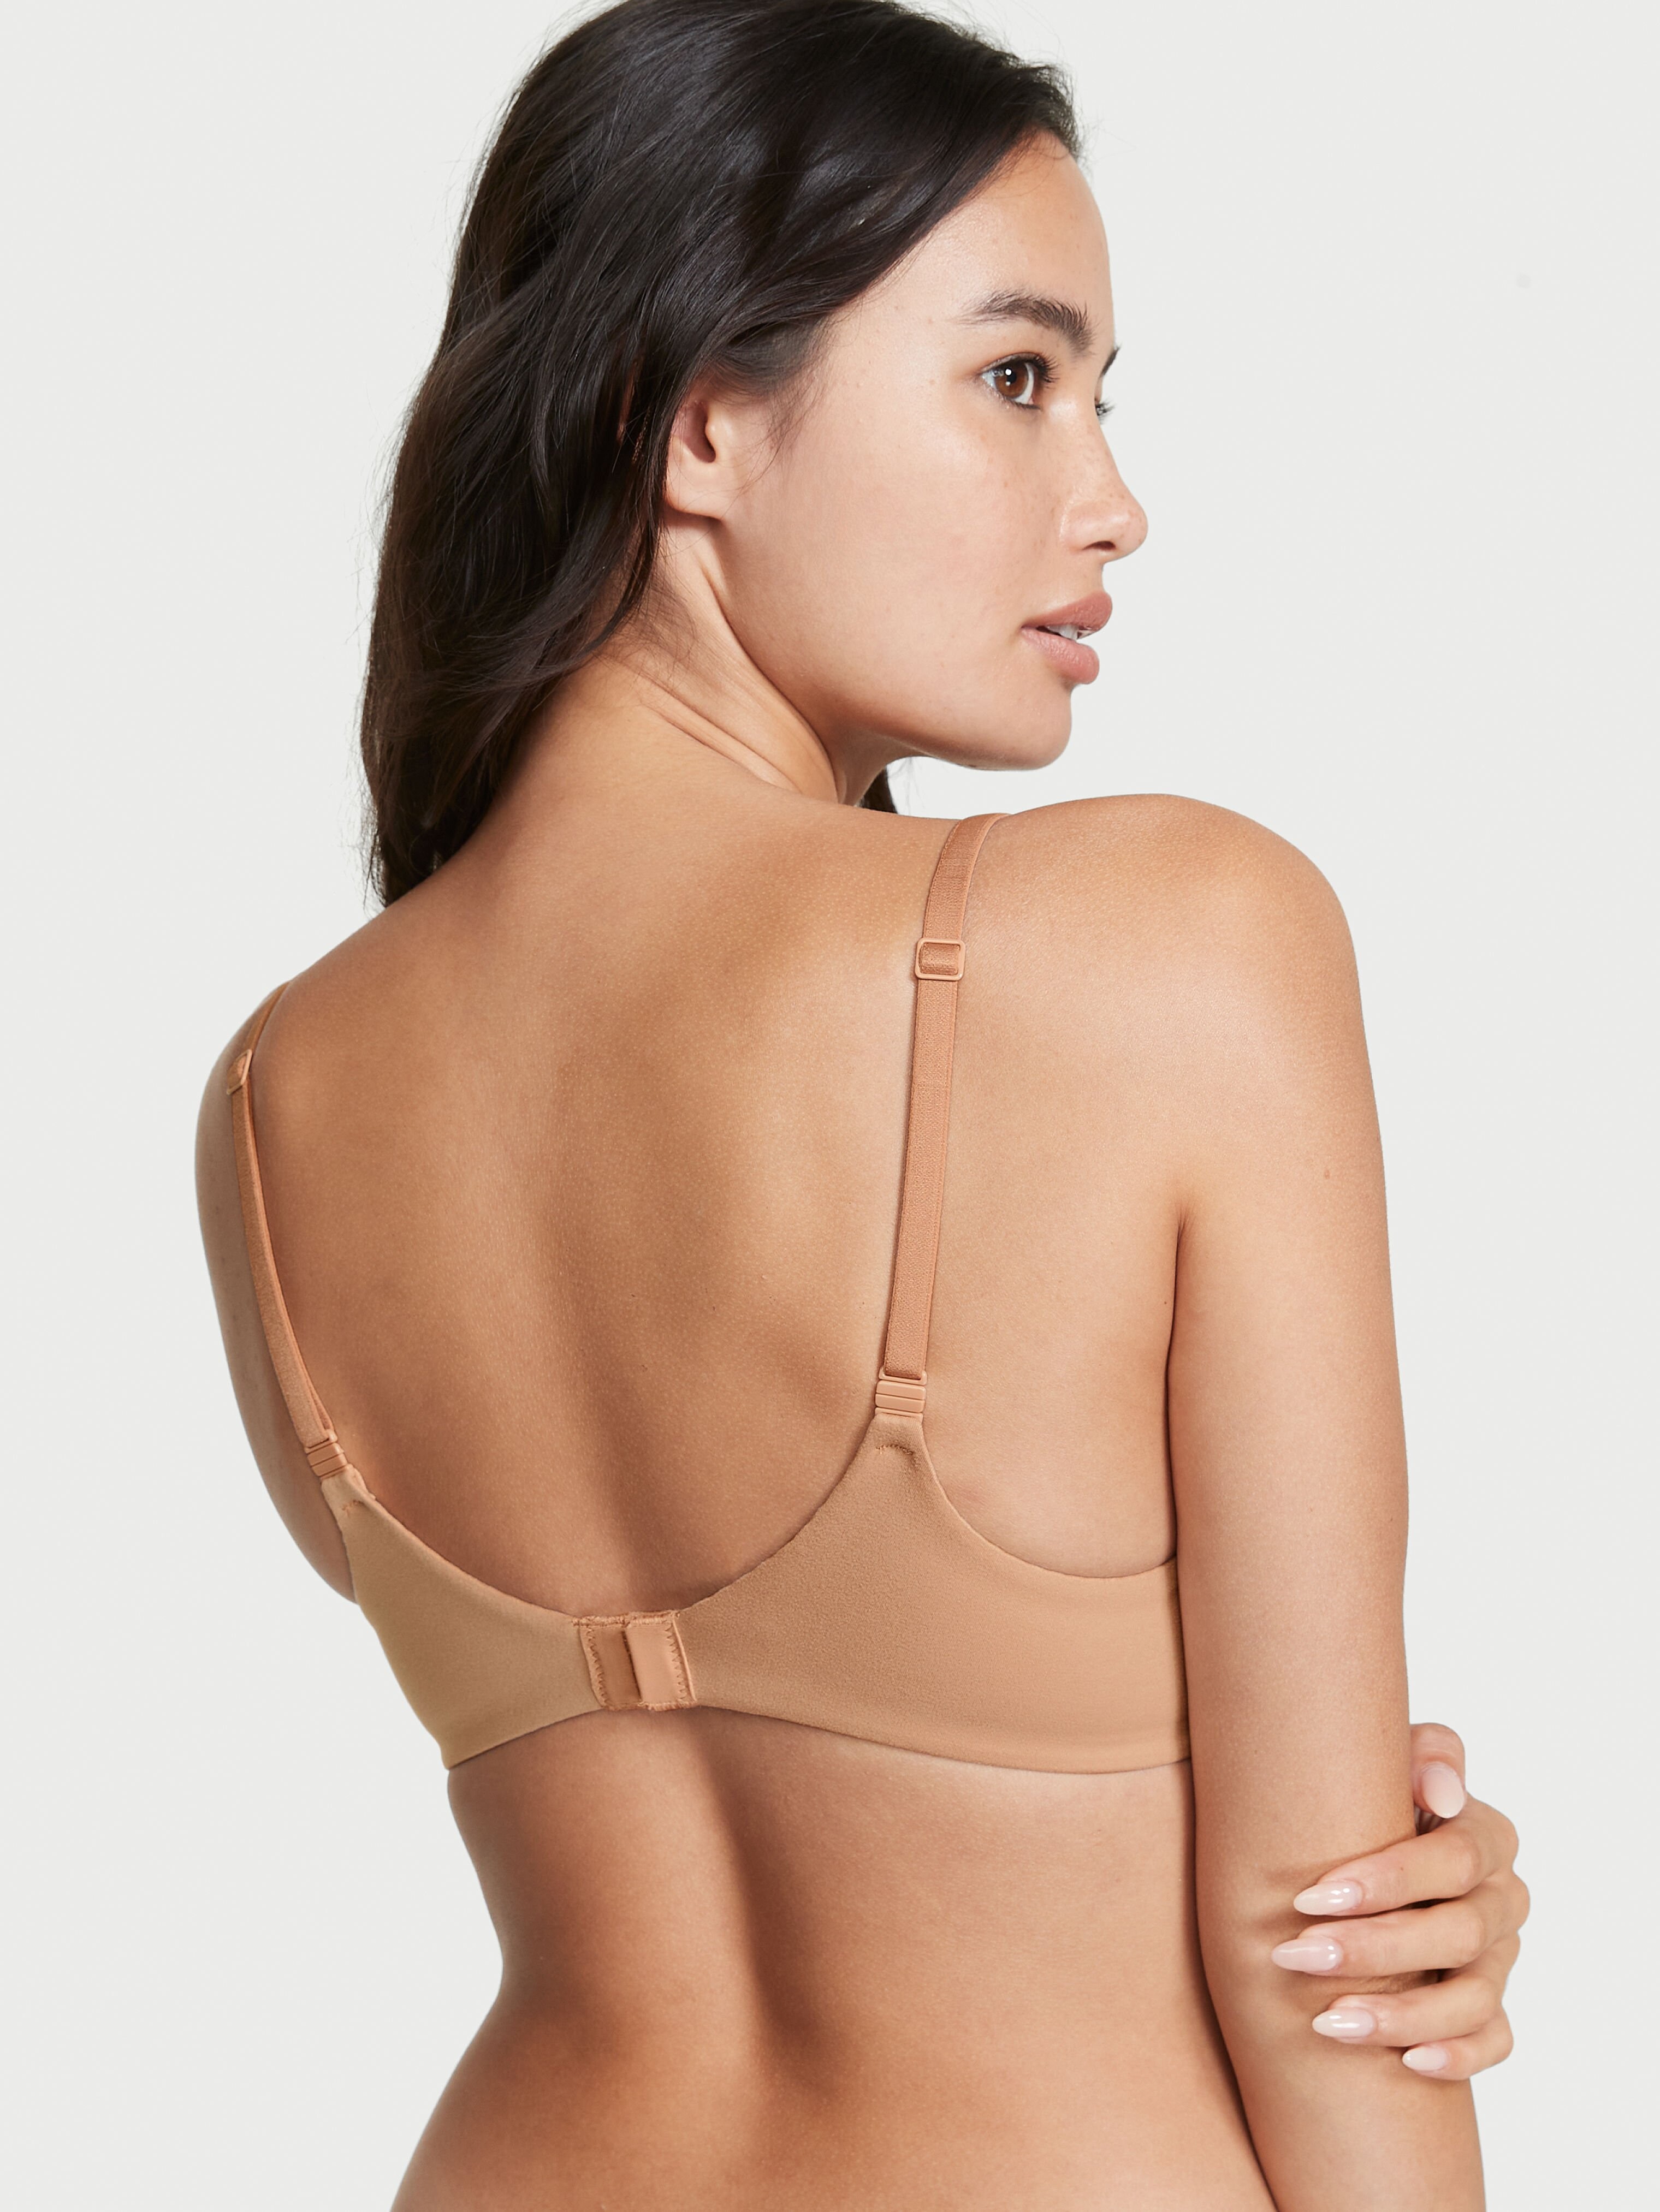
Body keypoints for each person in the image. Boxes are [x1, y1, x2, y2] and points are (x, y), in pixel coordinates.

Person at [196, 3, 1527, 2203]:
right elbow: (1333, 1954)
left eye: (1098, 398)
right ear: (702, 421)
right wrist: (1398, 1907)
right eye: (1014, 378)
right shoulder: (1180, 941)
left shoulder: (274, 1101)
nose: (1110, 500)